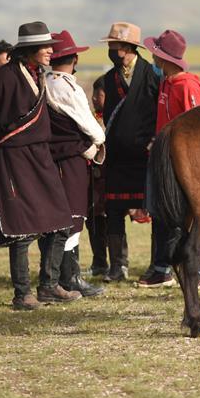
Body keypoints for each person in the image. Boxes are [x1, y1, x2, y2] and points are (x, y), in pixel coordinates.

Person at [0, 21, 81, 310]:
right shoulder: (2, 78)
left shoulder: (39, 75)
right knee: (21, 230)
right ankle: (23, 293)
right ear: (30, 50)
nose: (50, 50)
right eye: (45, 46)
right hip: (13, 159)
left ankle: (48, 285)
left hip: (41, 157)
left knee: (61, 220)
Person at [137, 29, 200, 288]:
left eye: (156, 53)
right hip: (163, 156)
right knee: (161, 212)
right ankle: (162, 267)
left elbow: (196, 125)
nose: (153, 58)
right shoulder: (167, 82)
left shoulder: (187, 86)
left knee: (179, 214)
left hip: (181, 159)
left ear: (164, 58)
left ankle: (191, 270)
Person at [45, 30, 106, 298]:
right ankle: (70, 278)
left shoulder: (43, 82)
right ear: (74, 58)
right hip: (72, 159)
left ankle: (62, 276)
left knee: (62, 216)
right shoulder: (66, 86)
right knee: (73, 215)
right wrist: (97, 141)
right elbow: (90, 125)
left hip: (54, 158)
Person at [98, 22, 160, 282]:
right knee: (113, 211)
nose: (111, 50)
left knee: (156, 210)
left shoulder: (152, 75)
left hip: (145, 155)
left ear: (128, 47)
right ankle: (118, 266)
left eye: (115, 45)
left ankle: (158, 264)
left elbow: (159, 111)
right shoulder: (108, 79)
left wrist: (154, 140)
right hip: (117, 156)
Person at [86, 77, 110, 277]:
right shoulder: (90, 118)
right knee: (94, 222)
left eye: (99, 94)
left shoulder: (113, 118)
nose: (94, 98)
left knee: (111, 221)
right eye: (93, 94)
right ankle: (99, 262)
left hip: (108, 178)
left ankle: (120, 262)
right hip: (92, 180)